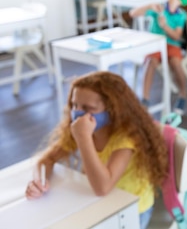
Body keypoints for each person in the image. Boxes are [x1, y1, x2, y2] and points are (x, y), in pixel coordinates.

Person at [25, 71, 168, 229]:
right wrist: (40, 182)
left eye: (88, 108)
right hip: (98, 203)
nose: (77, 113)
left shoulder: (125, 139)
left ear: (113, 110)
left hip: (131, 211)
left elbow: (103, 187)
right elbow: (47, 160)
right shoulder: (86, 129)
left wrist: (83, 138)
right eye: (74, 105)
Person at [130, 0, 187, 114]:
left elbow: (176, 37)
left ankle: (183, 95)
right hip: (155, 45)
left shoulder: (181, 14)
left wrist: (165, 26)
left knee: (175, 63)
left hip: (172, 45)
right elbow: (133, 13)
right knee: (151, 62)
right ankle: (144, 99)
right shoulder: (158, 9)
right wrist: (150, 6)